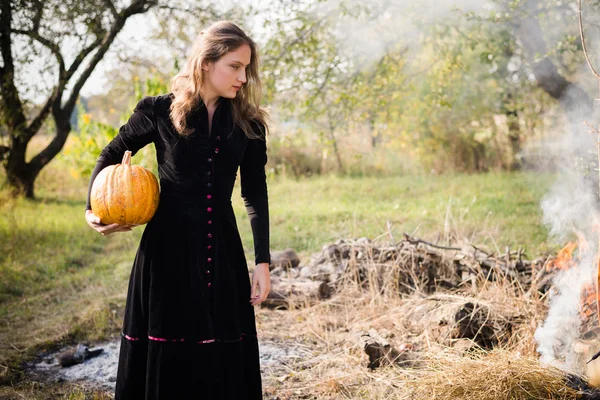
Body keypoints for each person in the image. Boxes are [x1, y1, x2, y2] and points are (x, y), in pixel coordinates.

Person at [84, 20, 271, 399]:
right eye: (234, 66)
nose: (242, 78)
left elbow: (254, 194)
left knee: (220, 353)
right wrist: (93, 209)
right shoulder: (159, 111)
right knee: (166, 353)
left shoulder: (248, 125)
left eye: (246, 69)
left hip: (221, 250)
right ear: (206, 63)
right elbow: (110, 153)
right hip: (165, 251)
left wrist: (263, 263)